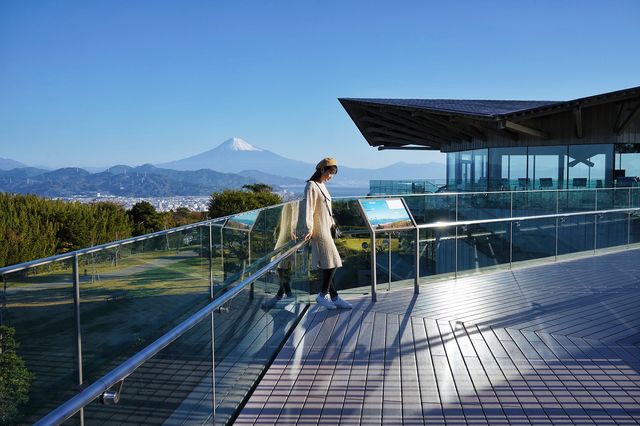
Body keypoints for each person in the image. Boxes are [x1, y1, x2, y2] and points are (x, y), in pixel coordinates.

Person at [303, 157, 352, 310]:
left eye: (333, 174)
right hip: (319, 230)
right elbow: (309, 208)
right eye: (330, 172)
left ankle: (335, 297)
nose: (331, 176)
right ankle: (322, 295)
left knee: (328, 264)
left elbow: (326, 207)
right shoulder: (311, 185)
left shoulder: (322, 185)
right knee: (333, 262)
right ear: (322, 170)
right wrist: (309, 228)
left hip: (327, 227)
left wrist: (332, 222)